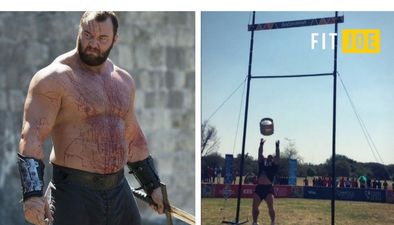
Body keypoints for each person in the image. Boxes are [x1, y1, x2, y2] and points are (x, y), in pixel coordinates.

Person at [17, 11, 164, 225]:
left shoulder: (123, 81)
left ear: (115, 39)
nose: (93, 43)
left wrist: (153, 185)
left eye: (102, 38)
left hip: (119, 190)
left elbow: (133, 137)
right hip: (73, 193)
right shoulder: (54, 78)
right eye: (87, 35)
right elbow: (31, 137)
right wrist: (32, 197)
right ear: (79, 31)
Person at [252, 138, 280, 225]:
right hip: (259, 187)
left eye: (271, 158)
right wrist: (261, 145)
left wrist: (277, 147)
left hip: (268, 189)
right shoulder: (262, 164)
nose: (269, 158)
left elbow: (278, 157)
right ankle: (255, 222)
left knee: (271, 207)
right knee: (254, 207)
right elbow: (260, 154)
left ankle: (273, 222)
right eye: (268, 157)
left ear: (273, 160)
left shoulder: (274, 167)